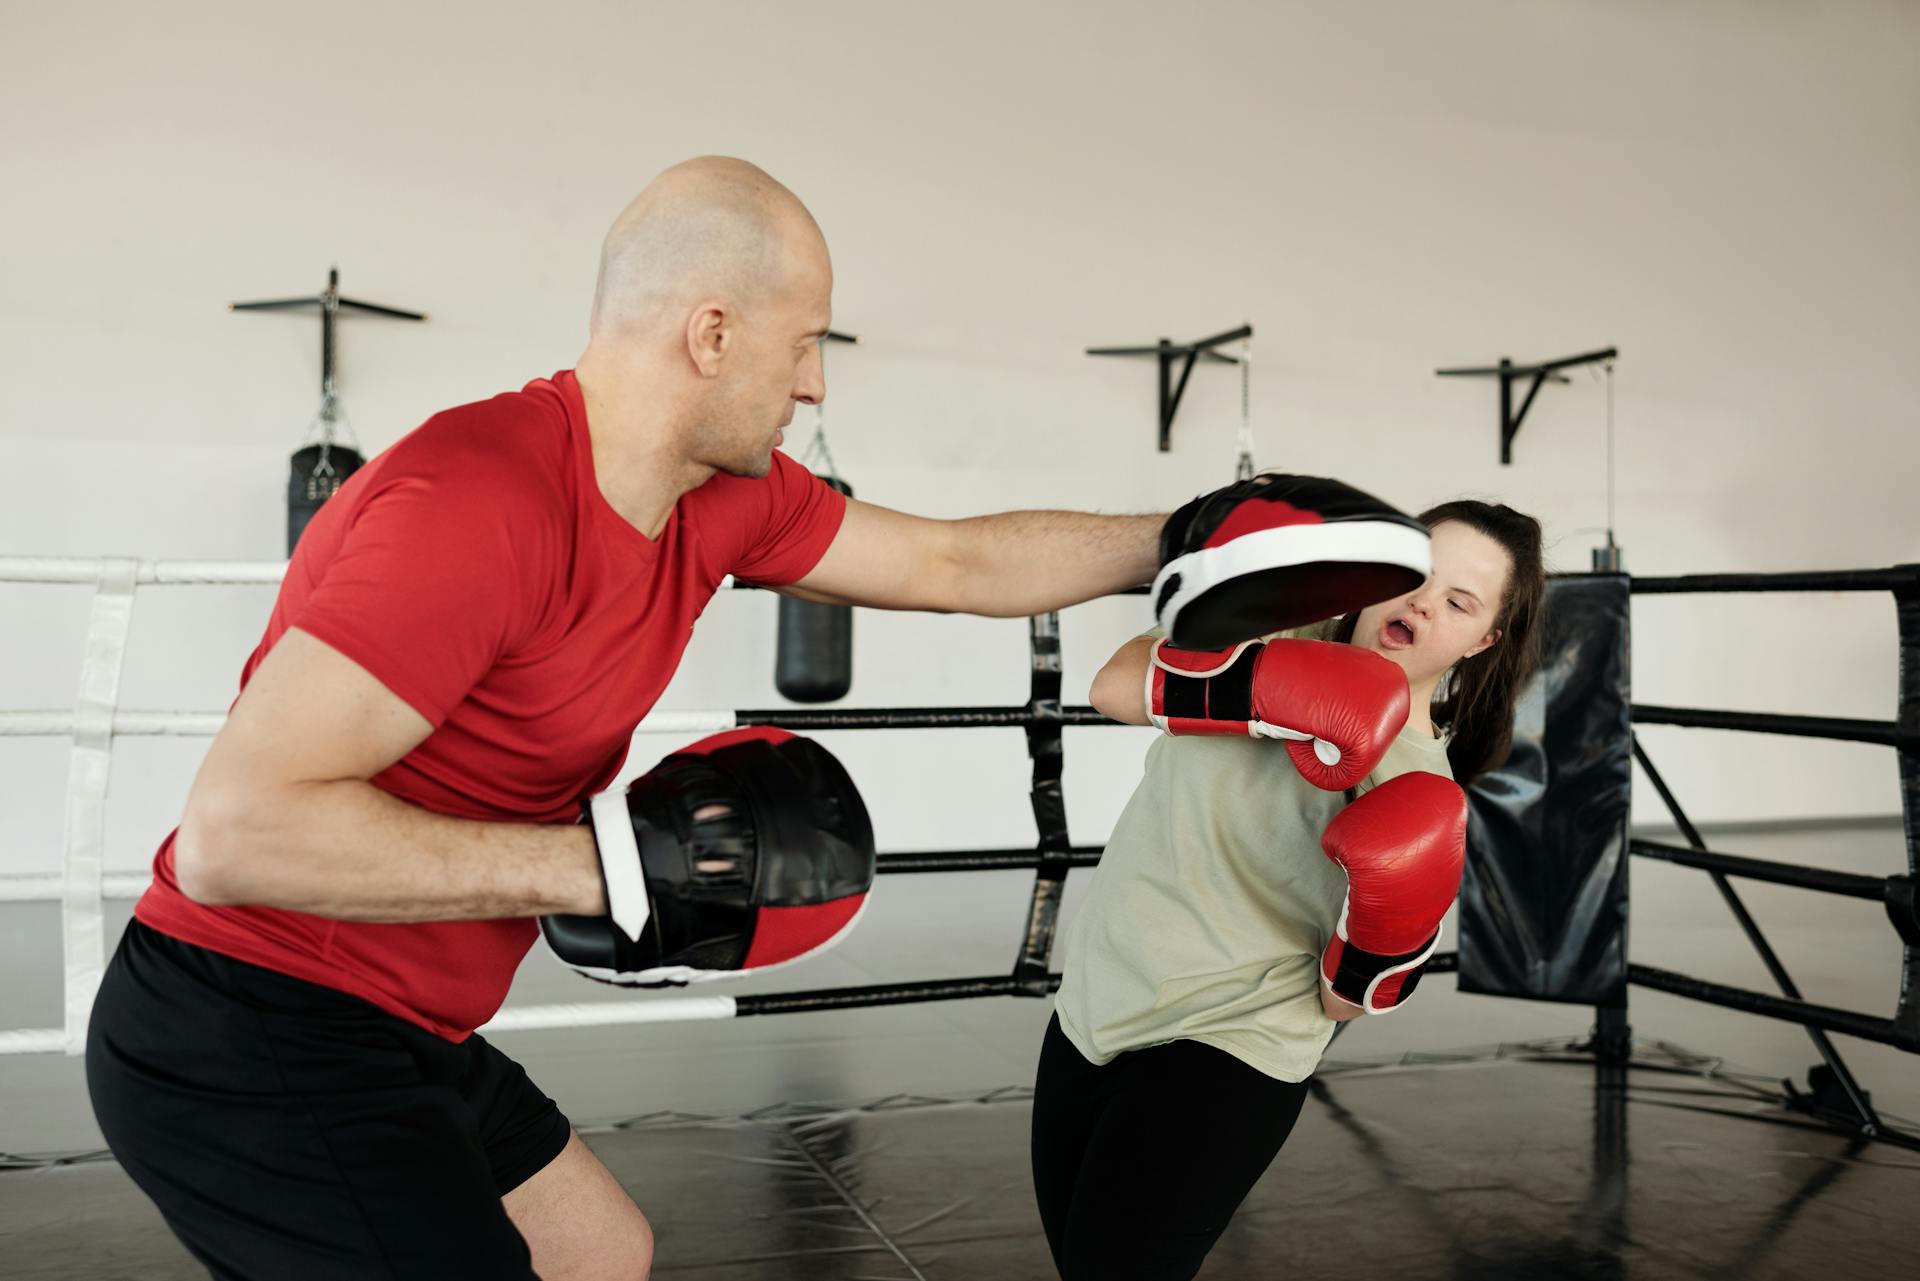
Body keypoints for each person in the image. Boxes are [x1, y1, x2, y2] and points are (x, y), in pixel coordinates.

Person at [81, 155, 1404, 1281]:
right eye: (803, 342)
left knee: (602, 1253)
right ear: (711, 334)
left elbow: (952, 566)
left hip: (400, 1023)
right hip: (248, 1028)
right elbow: (234, 836)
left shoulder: (720, 500)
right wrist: (615, 866)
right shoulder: (476, 501)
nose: (815, 383)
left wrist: (1181, 539)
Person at [1032, 500, 1546, 1281]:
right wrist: (1268, 692)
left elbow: (1347, 1002)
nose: (1423, 604)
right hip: (1096, 1003)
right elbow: (1111, 687)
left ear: (1483, 640)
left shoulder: (1416, 783)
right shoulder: (1269, 634)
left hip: (1230, 1044)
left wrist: (1388, 921)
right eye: (1421, 577)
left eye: (1459, 602)